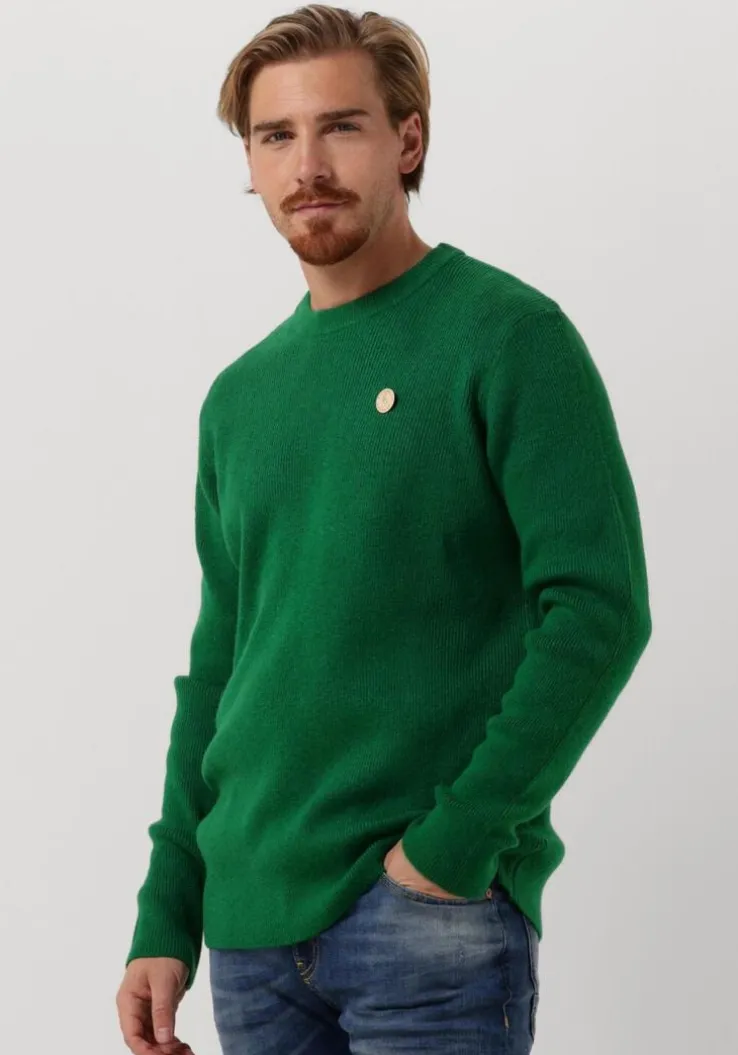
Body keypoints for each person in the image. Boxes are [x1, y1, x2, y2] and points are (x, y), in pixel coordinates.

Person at [115, 5, 653, 1053]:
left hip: (425, 920)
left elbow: (599, 607)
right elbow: (220, 668)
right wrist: (166, 908)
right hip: (250, 931)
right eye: (276, 136)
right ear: (251, 163)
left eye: (341, 127)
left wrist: (457, 841)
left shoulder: (509, 337)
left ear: (408, 139)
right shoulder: (238, 399)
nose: (307, 166)